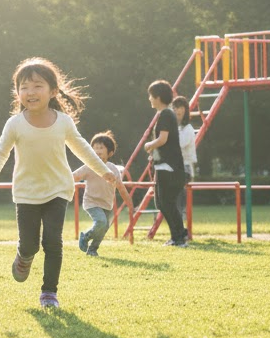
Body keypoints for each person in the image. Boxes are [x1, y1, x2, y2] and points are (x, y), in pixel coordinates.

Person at [0, 57, 128, 308]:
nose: (30, 92)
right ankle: (24, 257)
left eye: (38, 86)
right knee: (29, 244)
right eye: (24, 87)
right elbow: (0, 152)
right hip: (26, 192)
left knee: (52, 241)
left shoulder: (63, 122)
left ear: (53, 91)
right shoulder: (14, 124)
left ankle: (49, 292)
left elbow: (83, 149)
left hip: (58, 189)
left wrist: (102, 171)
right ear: (17, 93)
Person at [72, 130, 134, 258]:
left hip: (107, 204)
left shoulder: (113, 169)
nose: (97, 151)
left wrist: (130, 204)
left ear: (110, 153)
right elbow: (75, 176)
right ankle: (86, 236)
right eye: (94, 148)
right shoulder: (89, 166)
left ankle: (93, 250)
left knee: (103, 228)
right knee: (100, 222)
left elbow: (121, 188)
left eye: (101, 148)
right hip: (92, 202)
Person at [144, 80, 188, 246]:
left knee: (165, 202)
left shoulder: (165, 115)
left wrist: (149, 145)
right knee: (162, 203)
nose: (149, 99)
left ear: (158, 97)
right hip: (166, 166)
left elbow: (163, 139)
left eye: (151, 95)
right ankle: (178, 236)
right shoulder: (166, 114)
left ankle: (180, 237)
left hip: (168, 167)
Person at [172, 96, 198, 242]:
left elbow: (178, 145)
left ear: (186, 110)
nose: (178, 110)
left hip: (184, 169)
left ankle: (181, 234)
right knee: (172, 203)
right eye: (175, 107)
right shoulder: (173, 128)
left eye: (181, 107)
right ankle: (178, 233)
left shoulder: (188, 129)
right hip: (172, 168)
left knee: (178, 203)